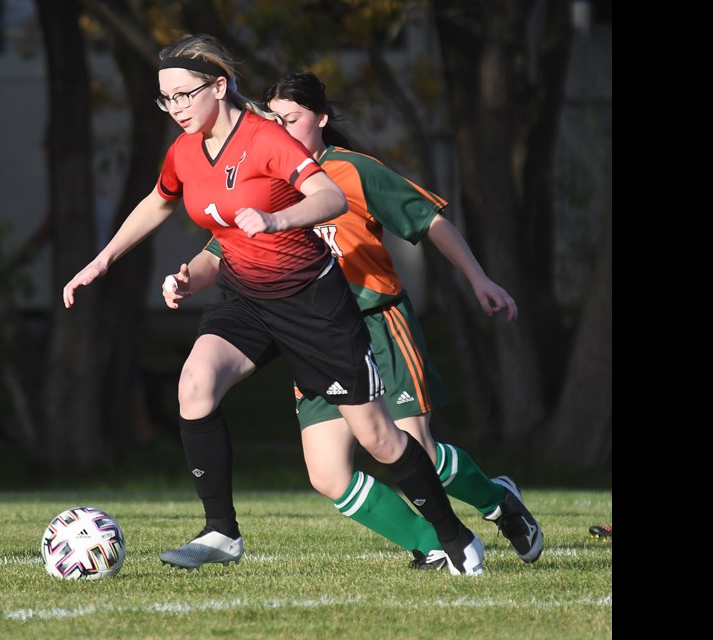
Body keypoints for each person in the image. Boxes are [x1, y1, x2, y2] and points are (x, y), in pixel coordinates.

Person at [63, 35, 484, 576]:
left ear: (219, 87)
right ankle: (221, 532)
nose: (176, 109)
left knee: (379, 438)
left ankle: (454, 536)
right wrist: (106, 261)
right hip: (245, 299)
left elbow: (329, 197)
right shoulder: (185, 150)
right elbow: (160, 199)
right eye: (166, 100)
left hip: (313, 303)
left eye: (185, 96)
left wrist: (276, 221)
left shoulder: (264, 138)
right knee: (194, 384)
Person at [162, 71, 542, 570]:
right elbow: (220, 250)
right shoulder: (253, 174)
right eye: (272, 119)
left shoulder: (350, 171)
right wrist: (190, 276)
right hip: (308, 330)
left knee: (412, 449)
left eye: (291, 119)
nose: (279, 128)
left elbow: (429, 221)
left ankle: (496, 502)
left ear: (320, 119)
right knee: (327, 474)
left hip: (376, 322)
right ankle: (430, 541)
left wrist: (479, 279)